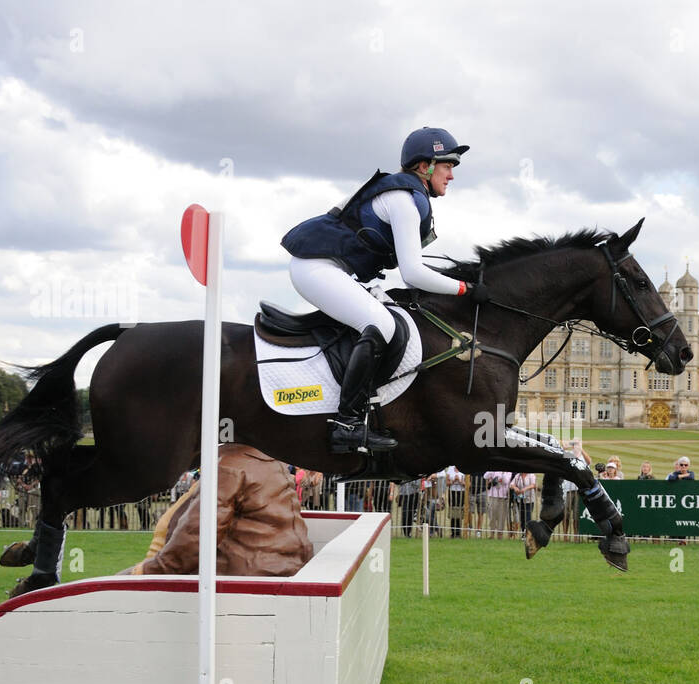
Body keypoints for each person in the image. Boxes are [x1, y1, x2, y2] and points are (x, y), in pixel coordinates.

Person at [281, 127, 486, 453]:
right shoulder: (405, 200)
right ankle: (347, 424)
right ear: (425, 166)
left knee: (389, 315)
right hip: (315, 268)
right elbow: (413, 273)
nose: (451, 175)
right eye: (447, 165)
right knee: (382, 325)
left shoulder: (408, 195)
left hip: (330, 269)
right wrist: (465, 289)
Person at [119, 445, 313, 577]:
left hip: (248, 583)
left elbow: (190, 544)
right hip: (271, 573)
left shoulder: (229, 466)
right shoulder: (268, 461)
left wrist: (139, 573)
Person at [483, 470, 513, 538]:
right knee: (492, 516)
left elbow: (506, 481)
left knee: (501, 517)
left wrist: (502, 474)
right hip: (493, 496)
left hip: (503, 497)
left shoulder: (508, 472)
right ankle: (492, 533)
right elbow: (485, 476)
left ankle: (500, 534)